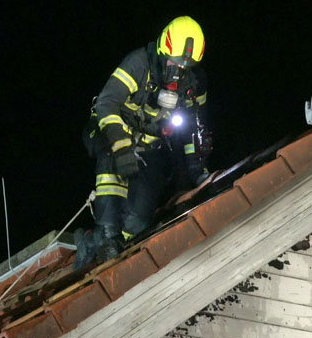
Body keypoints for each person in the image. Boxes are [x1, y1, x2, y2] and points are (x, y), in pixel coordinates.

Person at [77, 16, 212, 269]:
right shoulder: (139, 63)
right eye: (175, 61)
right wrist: (121, 146)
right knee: (111, 165)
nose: (179, 69)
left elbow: (197, 127)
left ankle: (94, 244)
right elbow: (106, 104)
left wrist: (197, 170)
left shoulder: (194, 84)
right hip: (107, 133)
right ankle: (107, 236)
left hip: (146, 147)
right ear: (163, 51)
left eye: (187, 64)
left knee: (139, 219)